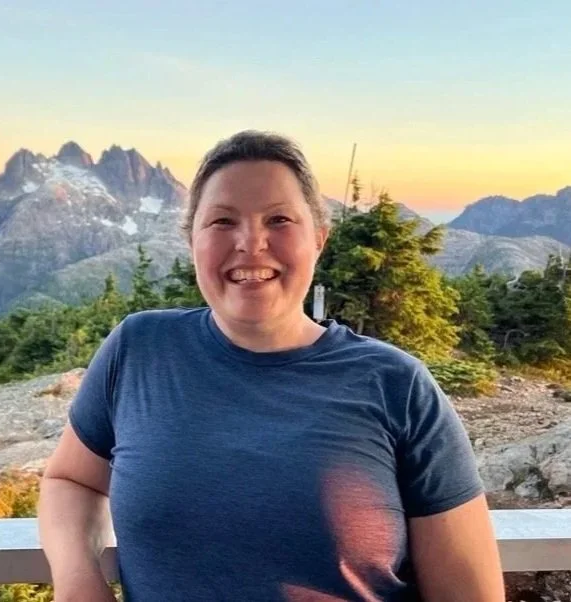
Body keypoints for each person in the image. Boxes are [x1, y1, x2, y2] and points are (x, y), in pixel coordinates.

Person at [38, 131, 505, 601]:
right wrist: (78, 580)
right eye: (223, 221)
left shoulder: (397, 385)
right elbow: (70, 480)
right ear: (192, 240)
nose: (251, 243)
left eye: (279, 219)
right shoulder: (138, 349)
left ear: (318, 238)